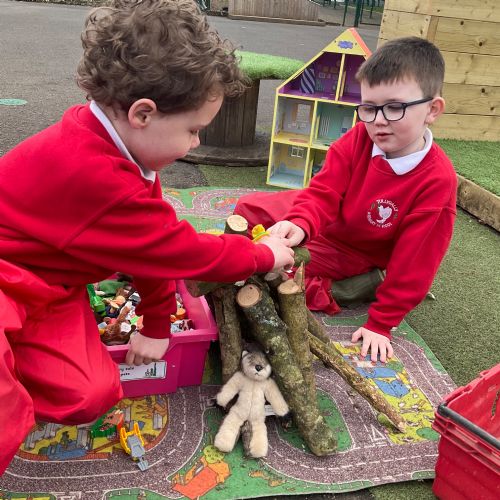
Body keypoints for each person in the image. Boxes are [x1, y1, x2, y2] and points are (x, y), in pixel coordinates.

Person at [0, 0, 294, 475]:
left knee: (88, 395)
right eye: (193, 130)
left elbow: (150, 251)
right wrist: (260, 254)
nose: (196, 142)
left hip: (48, 288)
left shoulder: (129, 156)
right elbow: (181, 251)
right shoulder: (93, 172)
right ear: (143, 114)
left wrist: (158, 324)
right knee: (4, 415)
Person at [236, 36, 457, 364]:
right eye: (369, 107)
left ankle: (350, 288)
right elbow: (323, 192)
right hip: (329, 220)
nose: (378, 120)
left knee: (282, 274)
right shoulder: (360, 136)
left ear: (432, 110)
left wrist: (381, 323)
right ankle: (292, 244)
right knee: (248, 210)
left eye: (394, 107)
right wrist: (299, 223)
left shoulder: (437, 181)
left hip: (355, 250)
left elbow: (416, 262)